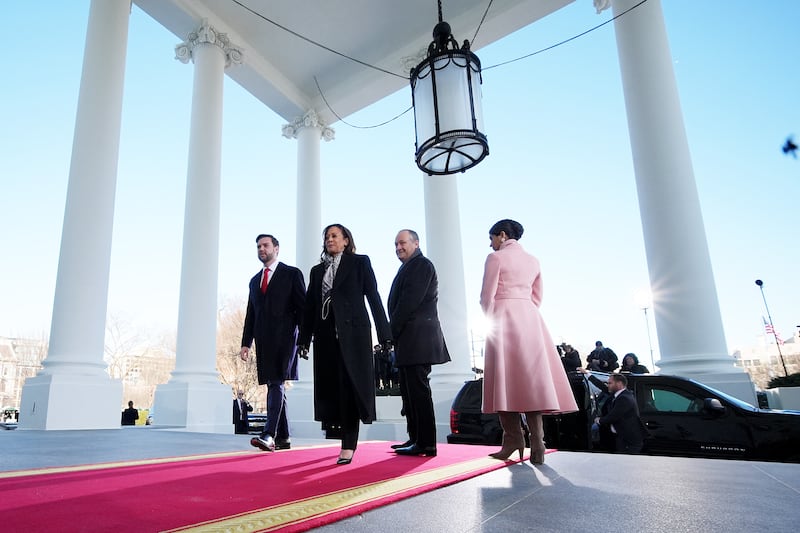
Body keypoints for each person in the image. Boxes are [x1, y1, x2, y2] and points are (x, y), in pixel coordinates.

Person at [480, 219, 578, 466]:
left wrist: (491, 317)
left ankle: (512, 439)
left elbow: (486, 296)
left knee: (504, 381)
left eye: (491, 238)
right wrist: (524, 310)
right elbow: (537, 296)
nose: (490, 244)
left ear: (502, 235)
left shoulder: (495, 259)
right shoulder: (534, 260)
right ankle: (538, 442)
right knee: (531, 382)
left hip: (503, 318)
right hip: (531, 319)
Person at [297, 223, 392, 465]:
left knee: (351, 388)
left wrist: (385, 334)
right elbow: (310, 307)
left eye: (334, 236)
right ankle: (339, 435)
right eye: (327, 236)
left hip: (353, 335)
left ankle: (348, 445)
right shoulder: (317, 271)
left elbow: (373, 297)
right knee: (333, 390)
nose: (330, 240)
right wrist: (304, 340)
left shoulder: (360, 263)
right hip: (326, 338)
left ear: (346, 240)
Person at [388, 229, 451, 457]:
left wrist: (389, 331)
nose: (398, 248)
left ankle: (426, 443)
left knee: (418, 392)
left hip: (418, 340)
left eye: (402, 243)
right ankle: (415, 438)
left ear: (416, 243)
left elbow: (408, 303)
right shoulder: (409, 266)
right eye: (395, 244)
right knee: (409, 393)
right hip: (408, 341)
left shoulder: (421, 265)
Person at [240, 234, 306, 452]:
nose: (261, 249)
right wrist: (246, 343)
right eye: (258, 246)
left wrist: (304, 338)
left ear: (276, 249)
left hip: (287, 338)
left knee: (276, 381)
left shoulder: (292, 274)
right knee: (273, 383)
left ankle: (269, 434)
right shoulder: (253, 281)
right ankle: (284, 437)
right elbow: (252, 314)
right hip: (264, 341)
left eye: (265, 245)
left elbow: (302, 308)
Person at [595, 373, 646, 453]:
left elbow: (613, 416)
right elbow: (603, 388)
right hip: (622, 438)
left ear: (619, 383)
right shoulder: (621, 395)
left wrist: (599, 420)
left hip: (629, 440)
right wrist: (588, 374)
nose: (608, 385)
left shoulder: (624, 398)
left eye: (610, 383)